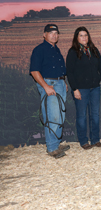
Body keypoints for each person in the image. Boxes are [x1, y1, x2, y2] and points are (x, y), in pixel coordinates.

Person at [30, 24, 70, 159]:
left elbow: (57, 69)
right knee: (52, 116)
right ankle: (52, 147)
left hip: (58, 83)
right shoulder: (39, 50)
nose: (54, 35)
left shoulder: (56, 49)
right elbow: (34, 71)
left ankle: (56, 143)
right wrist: (46, 86)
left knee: (59, 116)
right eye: (51, 33)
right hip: (49, 84)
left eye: (56, 33)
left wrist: (62, 81)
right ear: (44, 35)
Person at [66, 27, 101, 150]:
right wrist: (74, 89)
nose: (84, 38)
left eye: (86, 35)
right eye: (81, 35)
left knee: (95, 115)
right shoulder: (73, 52)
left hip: (95, 88)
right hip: (81, 89)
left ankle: (95, 140)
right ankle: (83, 141)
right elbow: (70, 72)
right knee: (82, 116)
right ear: (76, 38)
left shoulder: (94, 50)